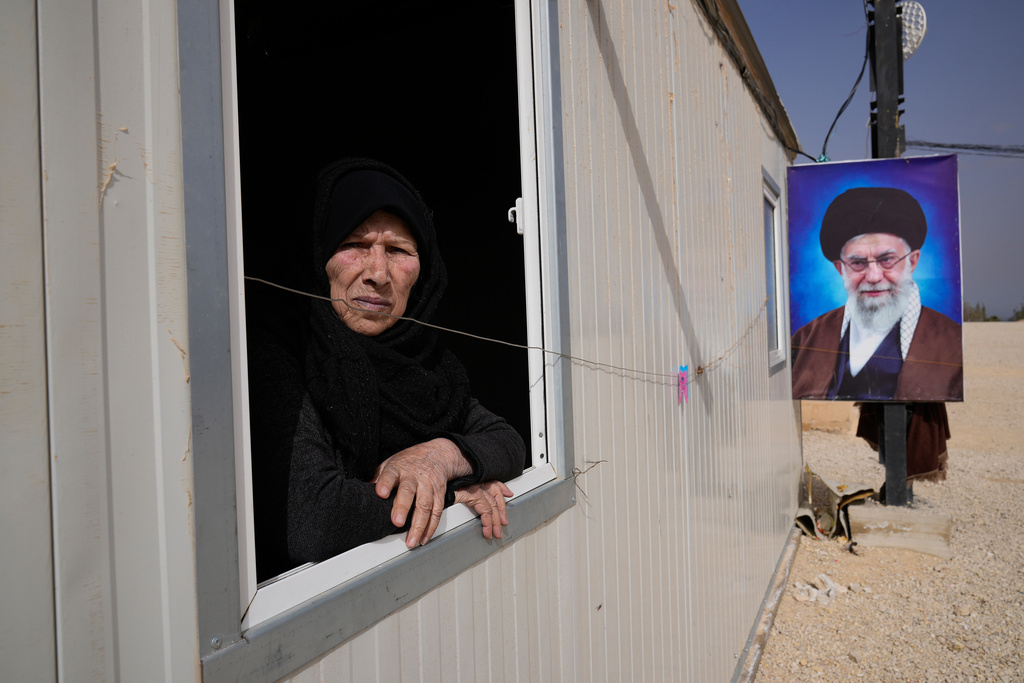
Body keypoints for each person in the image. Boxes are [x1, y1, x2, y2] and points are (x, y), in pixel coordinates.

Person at [247, 158, 526, 581]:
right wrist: (455, 493)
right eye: (354, 244)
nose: (378, 273)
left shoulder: (426, 363)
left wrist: (440, 454)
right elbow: (314, 518)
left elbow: (507, 441)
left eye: (397, 251)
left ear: (423, 269)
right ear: (318, 254)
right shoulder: (278, 351)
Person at [790, 186, 962, 483]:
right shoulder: (808, 338)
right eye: (857, 263)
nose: (872, 276)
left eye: (887, 260)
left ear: (913, 261)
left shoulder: (949, 341)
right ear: (839, 268)